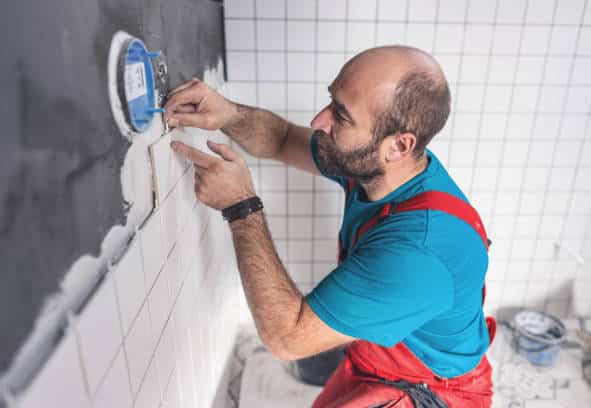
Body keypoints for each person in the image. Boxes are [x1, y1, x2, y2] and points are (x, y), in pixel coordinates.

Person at [164, 45, 494, 407]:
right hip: (376, 361)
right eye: (330, 101)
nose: (319, 121)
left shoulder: (418, 251)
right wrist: (226, 113)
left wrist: (242, 208)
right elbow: (283, 139)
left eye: (341, 115)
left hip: (431, 391)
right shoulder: (378, 166)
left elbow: (286, 338)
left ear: (399, 145)